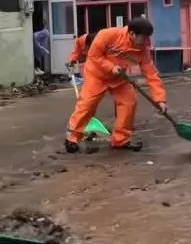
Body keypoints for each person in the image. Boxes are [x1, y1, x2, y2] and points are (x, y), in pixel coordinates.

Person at [64, 18, 167, 153]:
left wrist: (160, 99)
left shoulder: (143, 50)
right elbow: (94, 56)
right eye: (144, 37)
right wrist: (75, 57)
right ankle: (72, 137)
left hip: (119, 78)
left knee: (129, 102)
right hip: (97, 75)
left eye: (148, 37)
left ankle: (121, 139)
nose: (146, 41)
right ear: (132, 34)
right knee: (87, 104)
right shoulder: (107, 35)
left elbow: (152, 75)